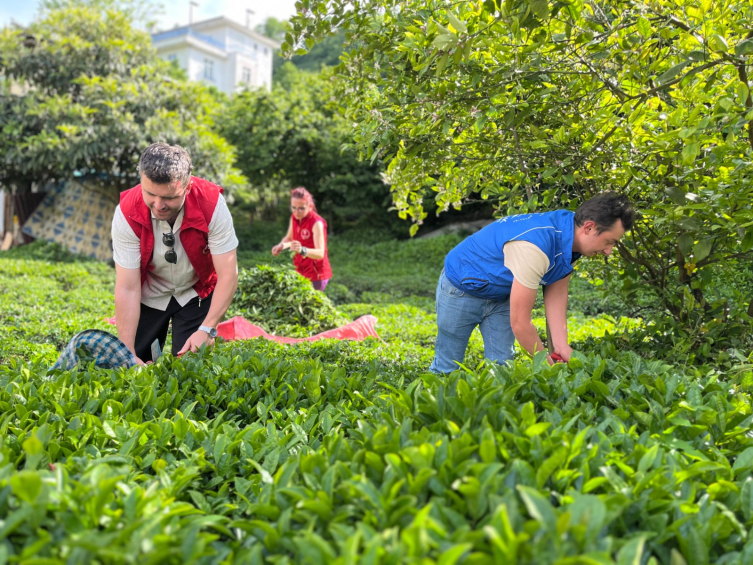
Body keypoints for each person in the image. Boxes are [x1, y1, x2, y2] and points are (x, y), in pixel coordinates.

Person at [430, 192, 635, 373]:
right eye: (609, 242)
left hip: (501, 294)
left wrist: (561, 346)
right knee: (447, 366)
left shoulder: (571, 236)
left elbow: (557, 291)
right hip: (462, 288)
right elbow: (520, 322)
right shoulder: (535, 247)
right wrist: (546, 364)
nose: (608, 251)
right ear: (589, 227)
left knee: (502, 367)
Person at [111, 143, 239, 364]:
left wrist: (208, 329)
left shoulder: (211, 204)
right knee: (136, 363)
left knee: (191, 366)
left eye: (169, 198)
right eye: (150, 194)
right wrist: (127, 353)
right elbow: (127, 287)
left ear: (187, 188)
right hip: (149, 293)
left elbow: (228, 274)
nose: (158, 205)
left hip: (195, 292)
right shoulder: (127, 212)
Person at [271, 187, 332, 290]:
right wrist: (281, 245)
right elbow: (289, 238)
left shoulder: (316, 223)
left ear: (310, 206)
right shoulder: (294, 217)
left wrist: (302, 250)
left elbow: (320, 253)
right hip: (300, 271)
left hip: (316, 275)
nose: (297, 212)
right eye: (293, 207)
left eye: (301, 208)